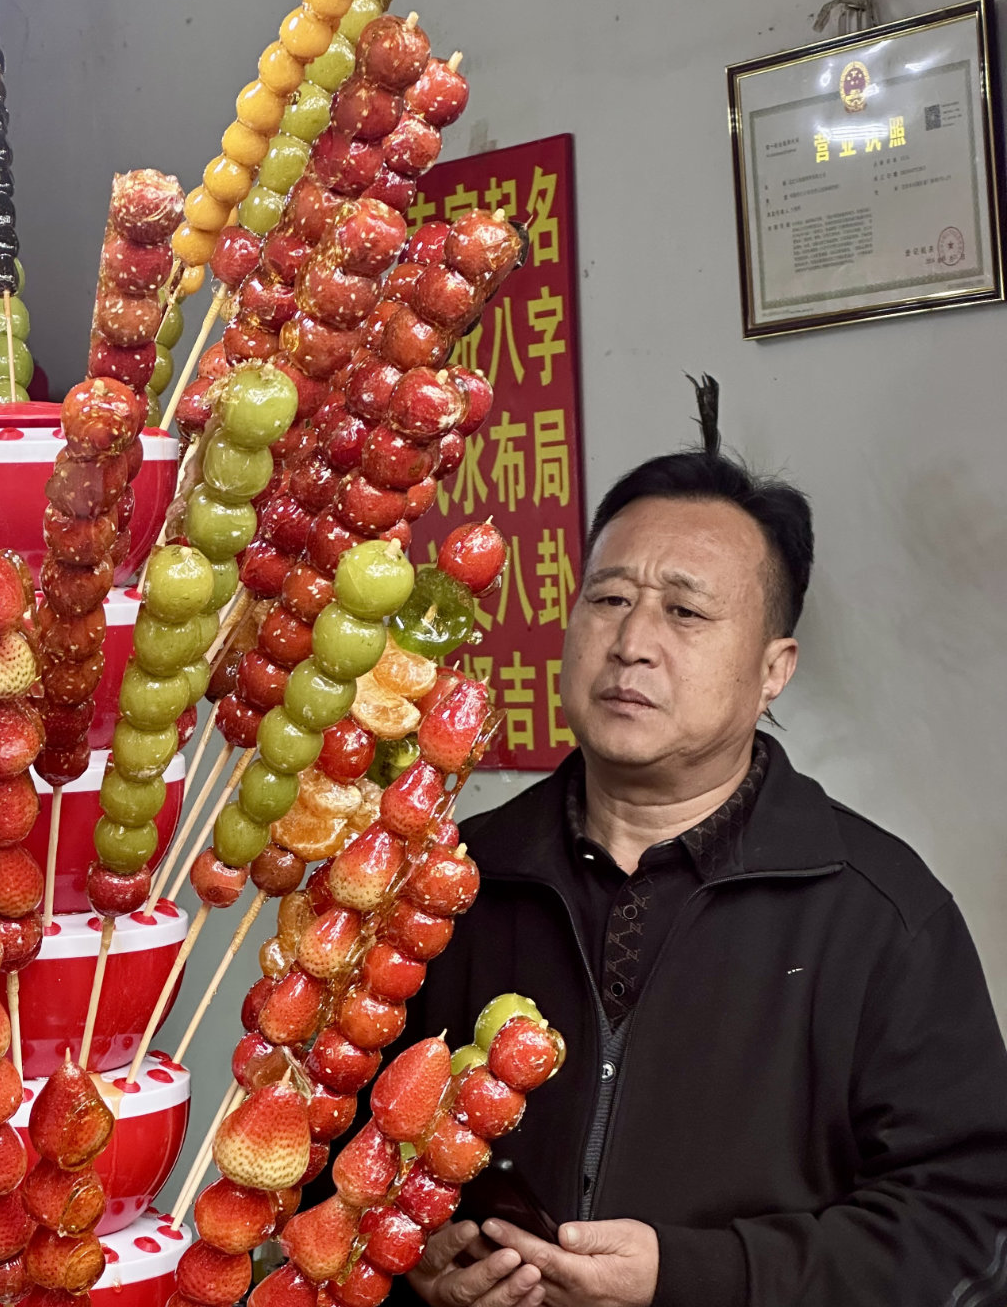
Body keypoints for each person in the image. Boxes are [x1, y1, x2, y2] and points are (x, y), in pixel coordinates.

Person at [404, 447, 1007, 1307]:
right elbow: (346, 1152)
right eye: (608, 599)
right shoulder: (454, 878)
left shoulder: (879, 913)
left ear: (774, 670)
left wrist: (694, 1276)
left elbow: (963, 1223)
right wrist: (409, 1264)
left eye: (685, 612)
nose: (632, 644)